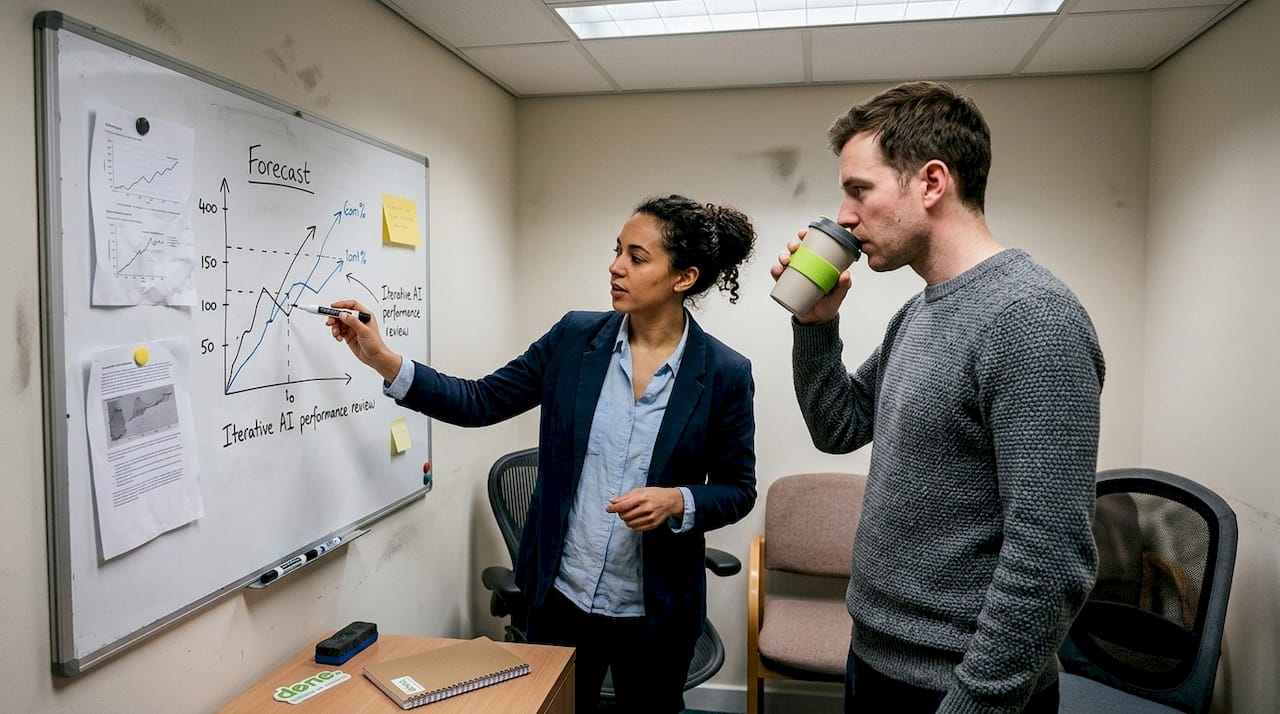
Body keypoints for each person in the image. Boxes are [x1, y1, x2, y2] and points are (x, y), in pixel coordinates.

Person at [326, 194, 758, 714]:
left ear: (682, 278)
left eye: (636, 258)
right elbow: (480, 399)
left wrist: (679, 500)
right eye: (618, 250)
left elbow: (738, 488)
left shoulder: (725, 374)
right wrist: (384, 360)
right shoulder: (574, 339)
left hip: (656, 611)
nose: (615, 266)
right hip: (560, 600)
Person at [771, 81, 1105, 713]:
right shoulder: (918, 313)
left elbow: (1051, 560)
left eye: (859, 189)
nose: (842, 215)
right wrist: (814, 326)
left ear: (930, 183)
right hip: (873, 658)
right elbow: (838, 427)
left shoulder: (1033, 321)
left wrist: (973, 702)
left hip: (957, 691)